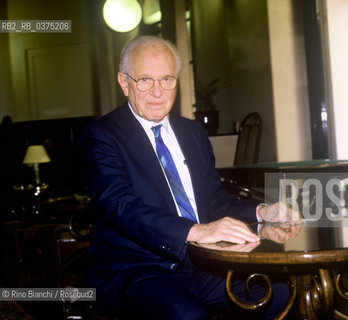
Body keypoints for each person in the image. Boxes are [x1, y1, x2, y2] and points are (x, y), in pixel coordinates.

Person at [80, 35, 300, 320]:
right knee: (188, 316)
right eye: (145, 80)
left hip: (200, 263)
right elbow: (121, 207)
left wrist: (261, 211)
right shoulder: (102, 136)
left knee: (285, 295)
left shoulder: (192, 133)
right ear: (124, 83)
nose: (158, 92)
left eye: (167, 79)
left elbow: (213, 198)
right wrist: (195, 231)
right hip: (136, 269)